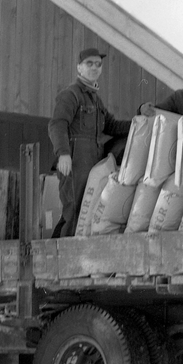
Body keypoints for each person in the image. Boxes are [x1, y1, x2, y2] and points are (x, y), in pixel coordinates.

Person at [48, 48, 132, 238]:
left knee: (87, 209)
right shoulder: (71, 94)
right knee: (74, 209)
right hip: (75, 160)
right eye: (89, 63)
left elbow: (112, 126)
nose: (94, 67)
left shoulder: (95, 100)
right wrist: (63, 153)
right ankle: (62, 259)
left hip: (93, 162)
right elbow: (57, 124)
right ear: (79, 68)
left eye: (98, 64)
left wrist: (139, 119)